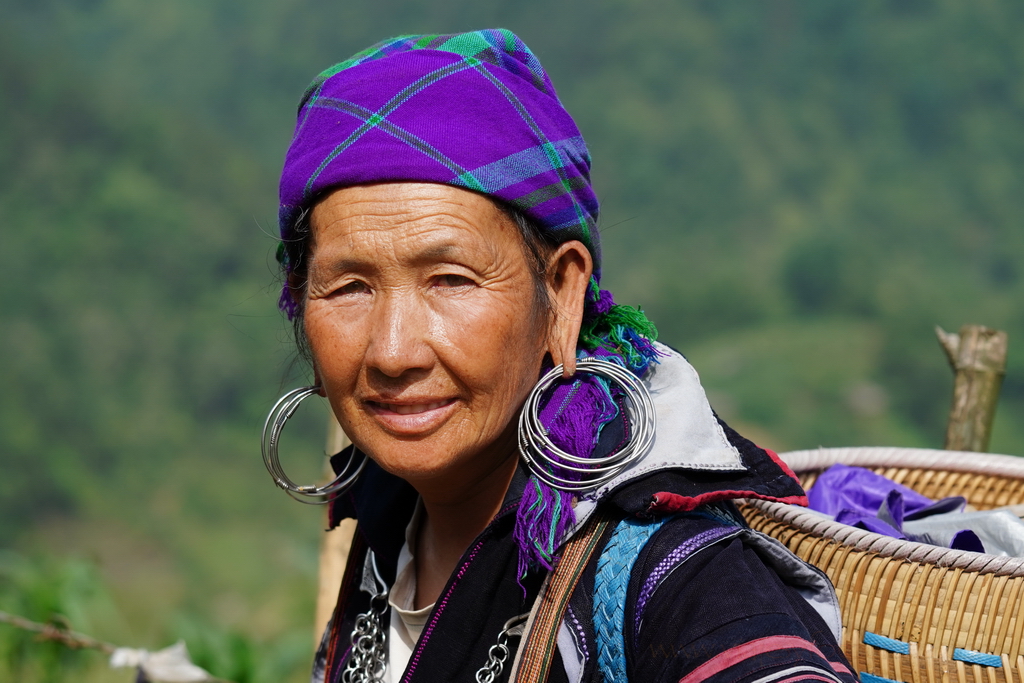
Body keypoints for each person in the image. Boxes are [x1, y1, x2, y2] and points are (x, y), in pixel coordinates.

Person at [265, 29, 858, 683]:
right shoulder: (385, 510)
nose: (394, 350)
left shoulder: (675, 575)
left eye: (451, 279)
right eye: (348, 286)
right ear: (301, 299)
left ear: (562, 291)